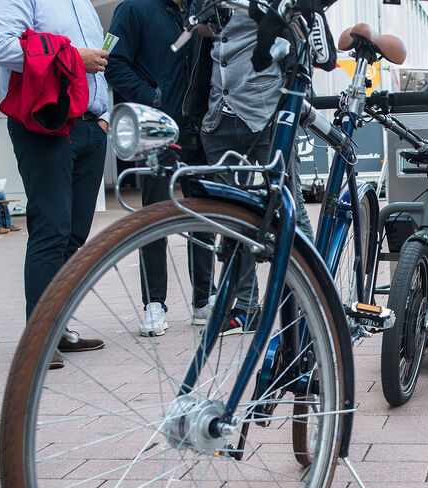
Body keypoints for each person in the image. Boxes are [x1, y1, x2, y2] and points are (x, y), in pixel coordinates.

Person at [0, 0, 109, 368]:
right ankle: (38, 339)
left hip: (90, 125)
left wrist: (102, 118)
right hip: (46, 124)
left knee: (74, 235)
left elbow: (98, 64)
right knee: (51, 230)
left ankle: (57, 327)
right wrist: (72, 57)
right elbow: (1, 47)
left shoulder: (84, 4)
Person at [184, 10, 314, 336]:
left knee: (290, 207)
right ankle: (245, 307)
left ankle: (313, 296)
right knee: (232, 217)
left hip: (266, 110)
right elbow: (202, 30)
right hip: (217, 117)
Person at [106, 0, 215, 337]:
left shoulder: (203, 7)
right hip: (158, 130)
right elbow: (113, 63)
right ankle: (154, 303)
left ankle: (203, 300)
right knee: (155, 215)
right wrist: (151, 98)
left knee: (202, 214)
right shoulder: (133, 8)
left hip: (200, 127)